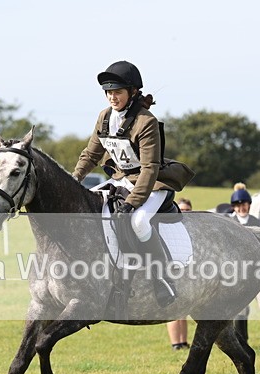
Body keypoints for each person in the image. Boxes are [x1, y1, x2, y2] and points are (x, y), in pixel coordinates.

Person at [72, 60, 186, 307]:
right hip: (120, 180)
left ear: (133, 92)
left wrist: (133, 202)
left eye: (118, 92)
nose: (112, 97)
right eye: (109, 92)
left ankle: (162, 277)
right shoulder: (104, 117)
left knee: (138, 220)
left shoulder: (146, 122)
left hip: (152, 184)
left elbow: (149, 168)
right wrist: (74, 180)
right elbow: (90, 155)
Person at [227, 183, 260, 349]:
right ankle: (243, 343)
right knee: (241, 311)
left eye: (244, 205)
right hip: (239, 275)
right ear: (234, 207)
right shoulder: (229, 223)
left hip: (258, 273)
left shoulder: (258, 223)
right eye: (238, 205)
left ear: (249, 205)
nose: (241, 208)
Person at [166, 198, 192, 350]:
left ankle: (183, 342)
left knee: (184, 311)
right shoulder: (171, 228)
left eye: (188, 210)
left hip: (187, 273)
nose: (185, 213)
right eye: (182, 210)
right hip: (173, 272)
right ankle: (176, 343)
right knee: (174, 311)